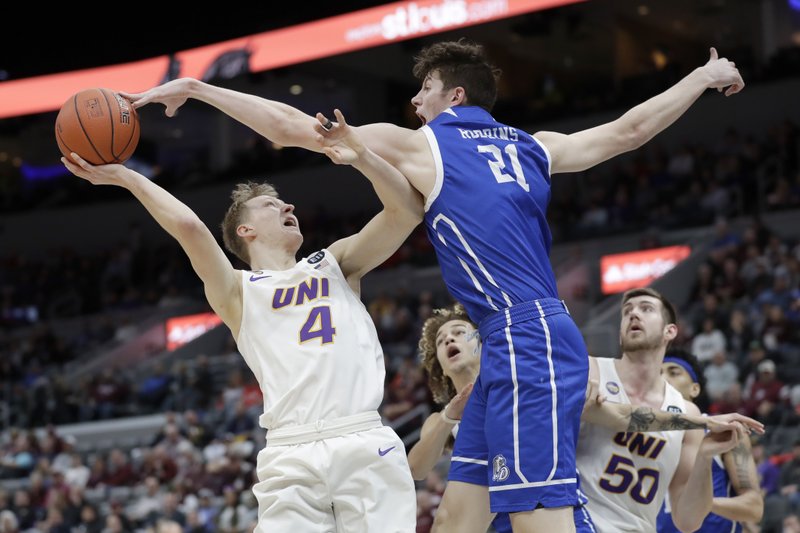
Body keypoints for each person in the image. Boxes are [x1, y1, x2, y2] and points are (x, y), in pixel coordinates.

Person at [125, 41, 744, 532]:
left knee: (537, 518)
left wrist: (201, 89)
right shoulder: (531, 146)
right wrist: (700, 78)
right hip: (505, 342)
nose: (414, 103)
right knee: (454, 517)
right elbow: (627, 132)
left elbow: (290, 129)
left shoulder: (427, 144)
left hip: (526, 333)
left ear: (451, 94)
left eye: (421, 91)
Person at [60, 110, 422, 532]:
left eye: (285, 202)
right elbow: (188, 226)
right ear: (246, 230)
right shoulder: (236, 290)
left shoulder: (334, 263)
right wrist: (126, 177)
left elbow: (405, 212)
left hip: (360, 433)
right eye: (271, 204)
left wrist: (361, 155)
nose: (288, 205)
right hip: (290, 450)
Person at [411, 304, 763, 533]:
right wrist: (447, 418)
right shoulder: (443, 420)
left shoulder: (537, 385)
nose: (450, 339)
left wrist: (699, 423)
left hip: (563, 519)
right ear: (439, 363)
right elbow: (416, 469)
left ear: (486, 341)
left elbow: (624, 415)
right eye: (442, 339)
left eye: (459, 332)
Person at [576, 288, 758, 533]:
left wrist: (704, 457)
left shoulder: (687, 411)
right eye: (627, 311)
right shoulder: (590, 369)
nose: (633, 315)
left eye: (646, 308)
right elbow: (619, 417)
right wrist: (699, 423)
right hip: (580, 523)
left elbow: (687, 520)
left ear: (669, 331)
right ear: (620, 333)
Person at [657, 348, 763, 532]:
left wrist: (697, 502)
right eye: (658, 373)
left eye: (674, 372)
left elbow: (754, 506)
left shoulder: (723, 430)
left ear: (694, 389)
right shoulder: (640, 435)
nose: (663, 379)